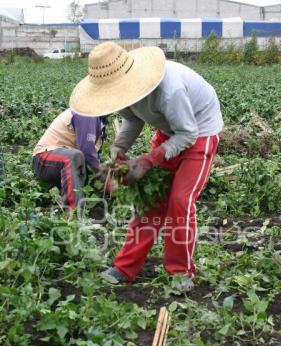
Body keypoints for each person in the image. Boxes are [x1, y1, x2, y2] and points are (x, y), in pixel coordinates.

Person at [69, 42, 223, 293]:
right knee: (150, 201)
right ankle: (125, 267)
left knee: (180, 202)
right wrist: (118, 149)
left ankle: (181, 272)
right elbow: (132, 118)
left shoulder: (169, 91)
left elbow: (188, 134)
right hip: (169, 132)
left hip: (199, 132)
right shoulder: (122, 92)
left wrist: (148, 161)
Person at [32, 108, 110, 210]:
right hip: (44, 157)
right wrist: (105, 179)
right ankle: (72, 211)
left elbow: (94, 157)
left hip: (65, 159)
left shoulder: (100, 120)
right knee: (74, 157)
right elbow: (87, 152)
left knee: (107, 167)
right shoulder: (86, 112)